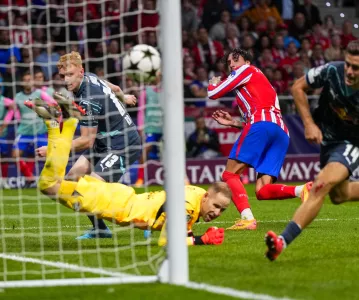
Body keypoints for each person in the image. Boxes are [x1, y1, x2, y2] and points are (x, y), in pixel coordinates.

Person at [265, 39, 359, 261]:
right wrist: (308, 123)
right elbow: (298, 86)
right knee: (339, 195)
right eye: (347, 64)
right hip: (329, 141)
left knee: (320, 186)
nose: (348, 70)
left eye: (355, 67)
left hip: (353, 144)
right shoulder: (332, 71)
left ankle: (281, 242)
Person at [26, 104, 229, 246]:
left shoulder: (196, 193)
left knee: (54, 183)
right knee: (48, 184)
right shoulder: (188, 206)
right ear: (206, 197)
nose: (217, 212)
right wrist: (203, 240)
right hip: (112, 204)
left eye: (222, 210)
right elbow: (167, 241)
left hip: (120, 197)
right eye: (217, 206)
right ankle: (60, 125)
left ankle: (63, 124)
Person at [35, 51, 141, 240]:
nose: (67, 80)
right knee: (73, 179)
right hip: (104, 141)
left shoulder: (89, 98)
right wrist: (124, 98)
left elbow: (86, 140)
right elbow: (115, 88)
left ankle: (144, 220)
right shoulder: (90, 78)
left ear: (81, 72)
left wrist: (53, 150)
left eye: (70, 75)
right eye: (63, 76)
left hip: (122, 143)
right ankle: (100, 229)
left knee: (92, 186)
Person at [208, 48, 311, 230]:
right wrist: (233, 122)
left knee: (230, 174)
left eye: (235, 60)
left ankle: (247, 218)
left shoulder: (247, 70)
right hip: (280, 131)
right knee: (262, 190)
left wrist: (212, 83)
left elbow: (213, 94)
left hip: (262, 125)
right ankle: (301, 190)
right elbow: (256, 116)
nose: (231, 65)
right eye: (229, 62)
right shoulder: (259, 83)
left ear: (247, 62)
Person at [12, 72, 49, 188]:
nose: (27, 82)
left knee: (51, 155)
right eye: (25, 80)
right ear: (22, 83)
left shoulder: (40, 93)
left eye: (29, 79)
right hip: (24, 132)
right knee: (15, 155)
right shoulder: (18, 97)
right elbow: (12, 112)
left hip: (39, 132)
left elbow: (52, 103)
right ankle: (30, 177)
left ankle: (50, 179)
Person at [0, 95, 19, 189]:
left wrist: (5, 123)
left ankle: (3, 181)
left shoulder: (4, 100)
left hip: (2, 133)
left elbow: (14, 106)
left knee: (3, 156)